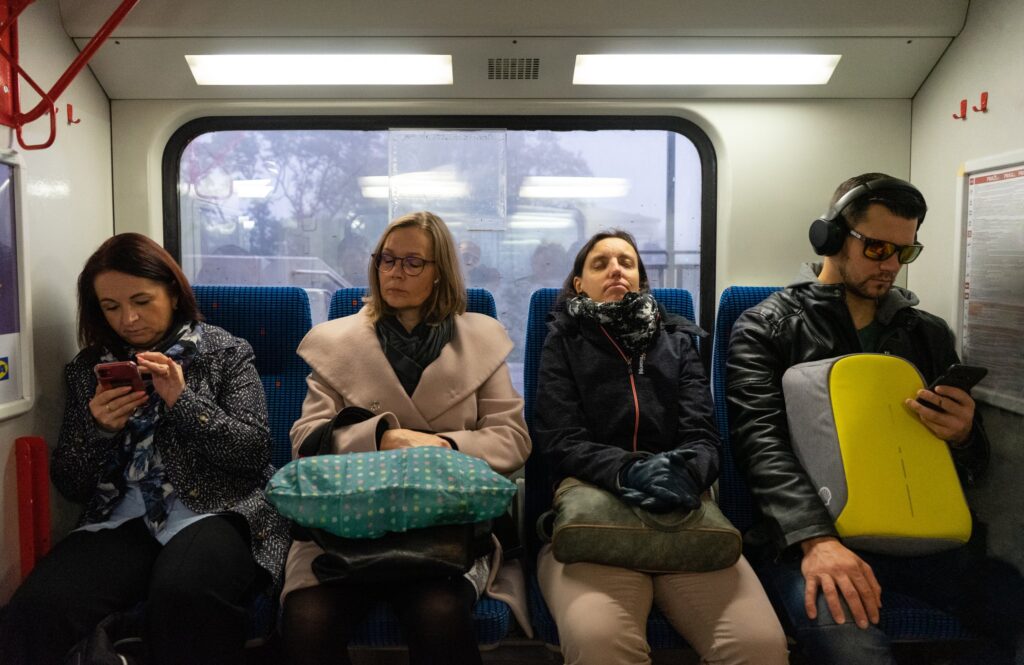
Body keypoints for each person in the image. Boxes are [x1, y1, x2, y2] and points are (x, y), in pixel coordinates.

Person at [726, 173, 1024, 665]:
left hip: (924, 537)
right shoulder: (767, 327)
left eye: (904, 253)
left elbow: (967, 467)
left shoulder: (925, 333)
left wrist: (966, 436)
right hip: (817, 536)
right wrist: (816, 541)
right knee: (854, 653)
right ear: (833, 238)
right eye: (878, 249)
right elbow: (759, 443)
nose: (891, 266)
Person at [0, 233, 290, 665]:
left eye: (142, 300)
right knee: (39, 607)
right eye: (111, 307)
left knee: (185, 592)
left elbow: (251, 454)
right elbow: (73, 484)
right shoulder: (90, 370)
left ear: (172, 292)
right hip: (123, 516)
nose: (129, 319)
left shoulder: (226, 353)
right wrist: (98, 430)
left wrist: (183, 402)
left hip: (219, 509)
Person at [279, 211, 531, 665]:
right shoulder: (335, 343)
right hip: (344, 524)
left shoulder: (483, 339)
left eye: (413, 262)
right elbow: (305, 439)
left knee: (439, 613)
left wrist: (440, 445)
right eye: (387, 259)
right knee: (308, 619)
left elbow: (512, 440)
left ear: (441, 275)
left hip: (445, 528)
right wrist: (382, 438)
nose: (395, 272)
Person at [534, 230, 788, 665]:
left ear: (640, 278)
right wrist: (629, 470)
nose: (616, 269)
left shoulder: (676, 340)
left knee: (758, 647)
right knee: (601, 643)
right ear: (579, 283)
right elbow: (560, 439)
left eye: (627, 262)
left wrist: (686, 473)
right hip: (593, 518)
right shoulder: (563, 342)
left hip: (682, 515)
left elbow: (704, 435)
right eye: (600, 263)